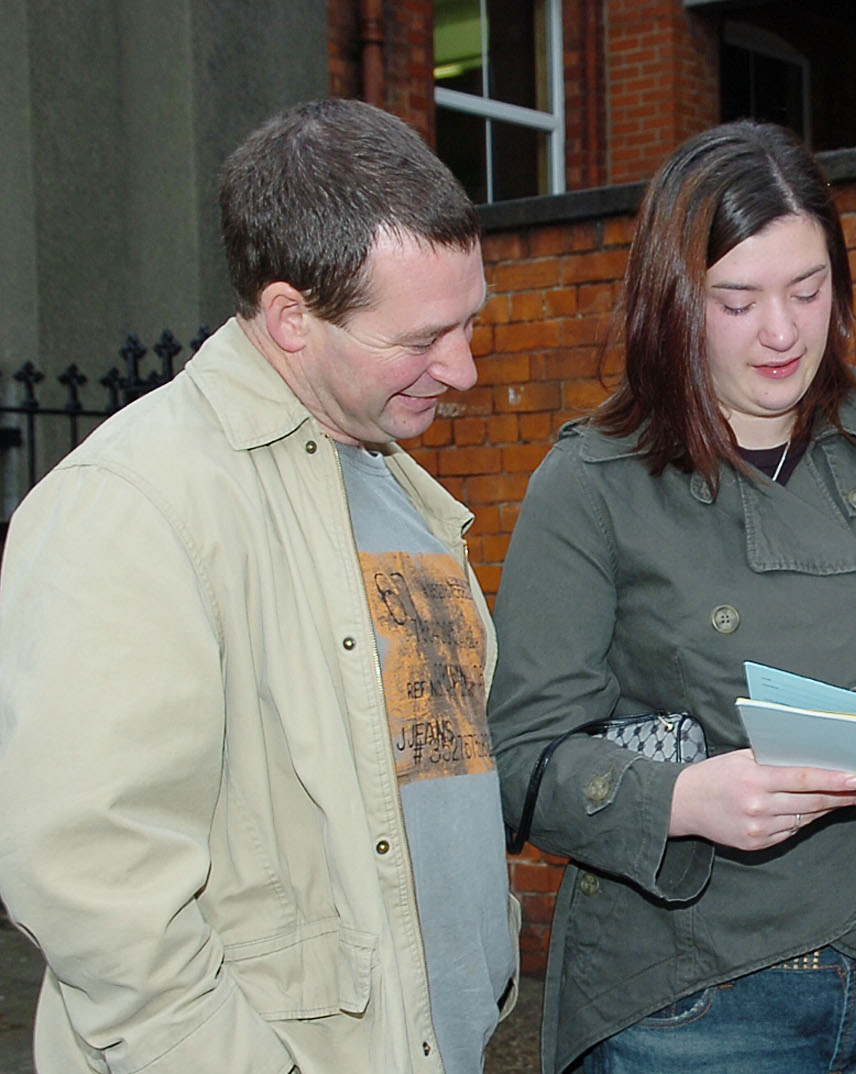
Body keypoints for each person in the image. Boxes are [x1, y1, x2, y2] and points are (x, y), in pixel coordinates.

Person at [0, 98, 517, 1074]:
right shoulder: (134, 502)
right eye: (421, 339)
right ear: (290, 318)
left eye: (469, 322)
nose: (463, 368)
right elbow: (92, 877)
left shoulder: (396, 483)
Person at [488, 119, 856, 1074]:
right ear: (673, 302)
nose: (782, 331)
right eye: (737, 300)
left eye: (808, 290)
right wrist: (681, 799)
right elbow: (521, 759)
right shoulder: (593, 484)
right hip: (695, 996)